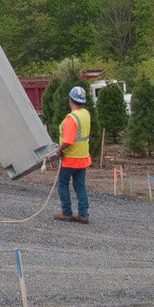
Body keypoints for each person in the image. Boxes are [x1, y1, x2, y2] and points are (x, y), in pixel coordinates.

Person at [54, 85, 93, 223]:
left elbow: (68, 141)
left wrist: (58, 150)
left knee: (63, 184)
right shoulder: (86, 114)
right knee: (80, 186)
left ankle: (67, 212)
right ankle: (83, 214)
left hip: (70, 159)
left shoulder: (72, 118)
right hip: (82, 158)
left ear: (70, 99)